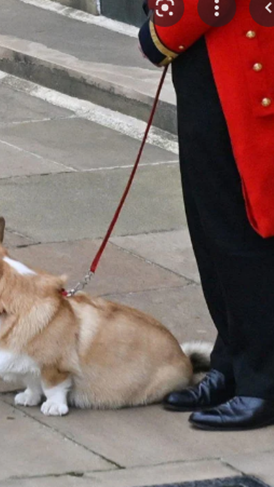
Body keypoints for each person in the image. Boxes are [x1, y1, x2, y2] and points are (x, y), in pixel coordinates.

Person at [139, 1, 274, 430]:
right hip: (206, 61)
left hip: (243, 54)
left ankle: (262, 383)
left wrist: (161, 28)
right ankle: (232, 360)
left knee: (242, 231)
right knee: (209, 224)